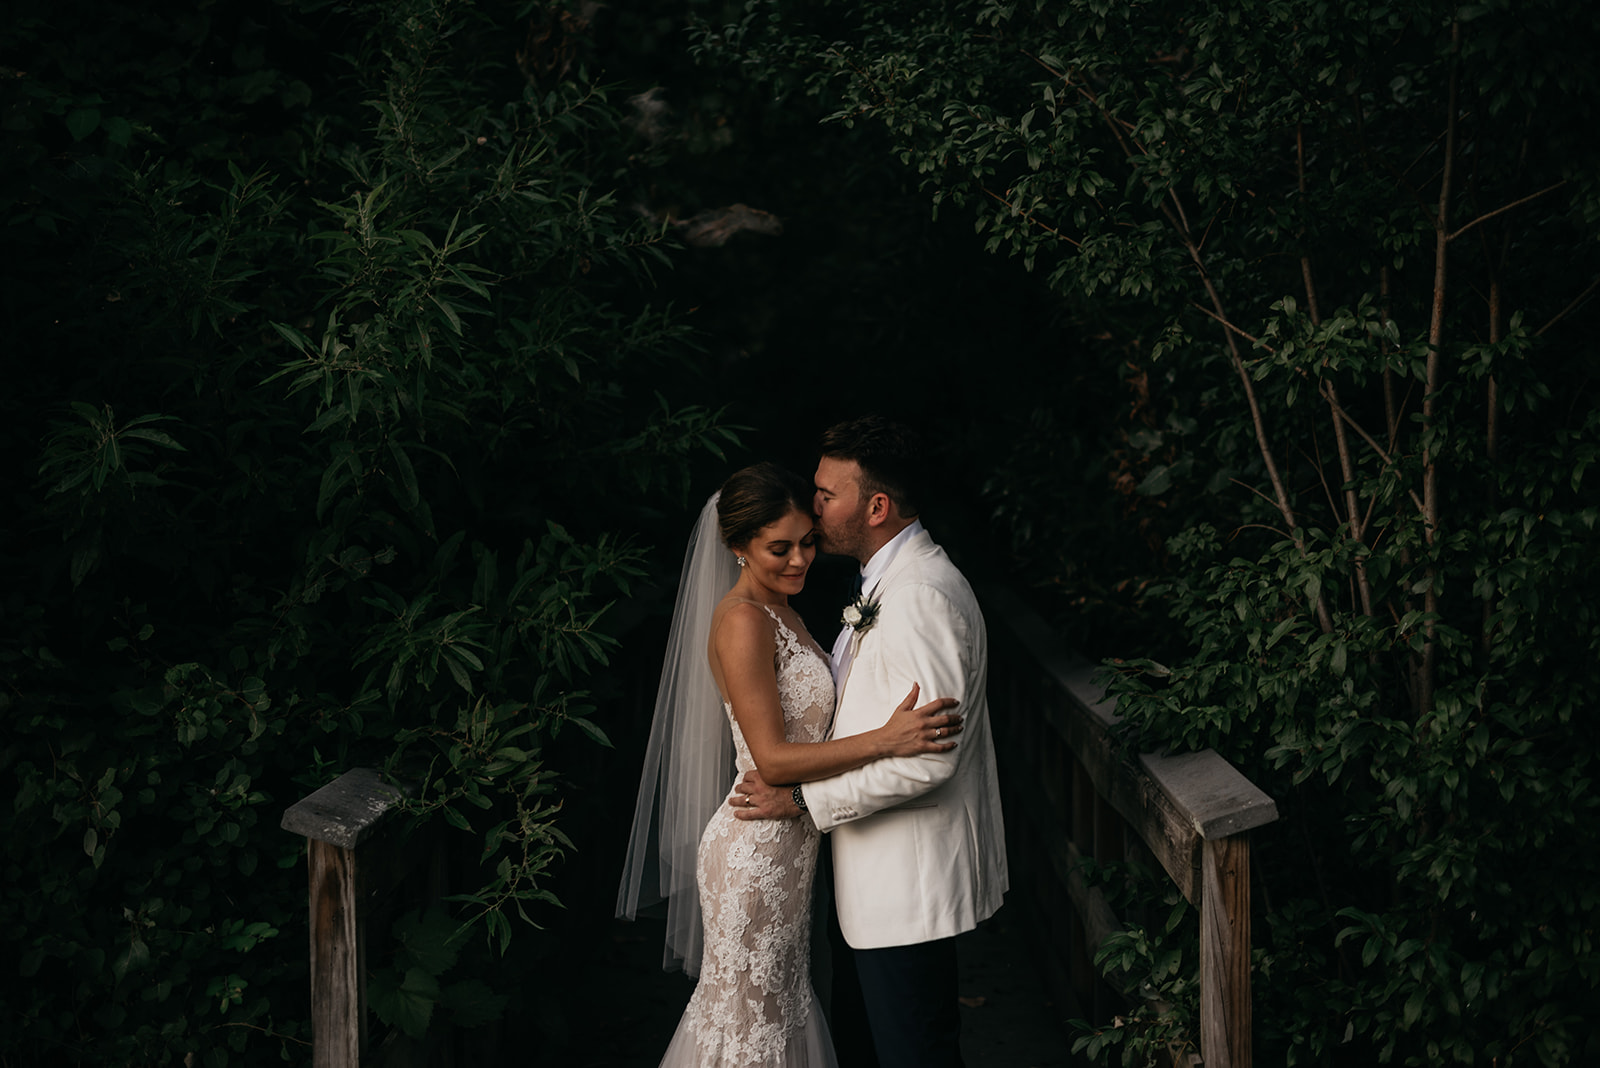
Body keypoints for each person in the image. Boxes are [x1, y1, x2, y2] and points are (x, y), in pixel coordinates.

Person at [616, 461, 965, 1067]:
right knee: (751, 1024)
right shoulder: (743, 622)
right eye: (779, 548)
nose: (800, 560)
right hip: (754, 849)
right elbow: (773, 760)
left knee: (779, 1013)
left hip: (791, 844)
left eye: (807, 543)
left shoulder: (785, 612)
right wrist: (885, 740)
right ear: (737, 547)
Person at [732, 417, 1008, 1068]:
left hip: (903, 888)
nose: (812, 507)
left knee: (914, 1053)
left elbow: (930, 761)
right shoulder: (881, 583)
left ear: (876, 506)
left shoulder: (922, 599)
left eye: (826, 495)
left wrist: (804, 801)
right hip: (869, 885)